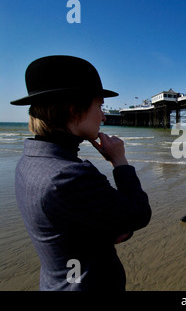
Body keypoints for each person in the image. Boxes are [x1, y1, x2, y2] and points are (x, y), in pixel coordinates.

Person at [11, 55, 151, 291]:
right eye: (100, 106)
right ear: (75, 110)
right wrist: (120, 160)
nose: (105, 117)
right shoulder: (69, 175)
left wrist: (104, 232)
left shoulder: (29, 161)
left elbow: (67, 226)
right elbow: (139, 214)